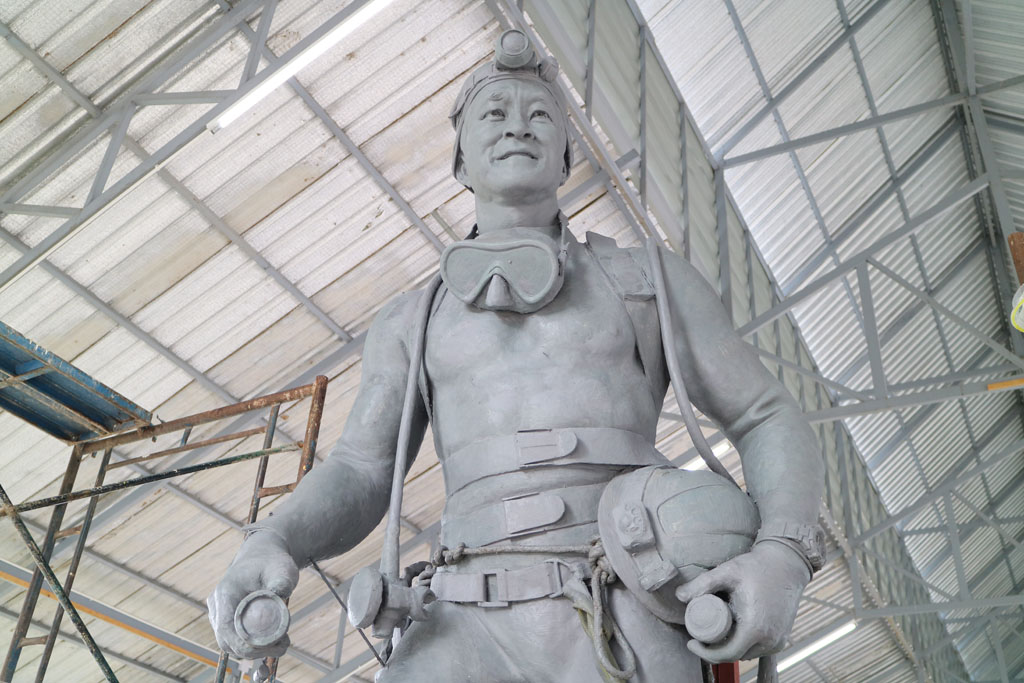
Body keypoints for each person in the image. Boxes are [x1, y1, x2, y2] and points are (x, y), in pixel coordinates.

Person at [208, 30, 824, 683]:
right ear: (460, 162)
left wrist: (783, 552)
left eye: (541, 117)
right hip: (456, 620)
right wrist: (275, 538)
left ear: (564, 159)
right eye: (493, 115)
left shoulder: (649, 280)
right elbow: (362, 468)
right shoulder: (410, 320)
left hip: (625, 601)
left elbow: (763, 412)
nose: (517, 128)